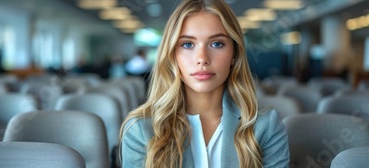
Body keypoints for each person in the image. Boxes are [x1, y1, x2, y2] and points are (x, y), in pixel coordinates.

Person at [119, 0, 289, 167]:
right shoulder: (140, 129)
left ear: (234, 54)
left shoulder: (265, 126)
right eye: (187, 44)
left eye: (217, 44)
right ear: (172, 55)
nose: (202, 58)